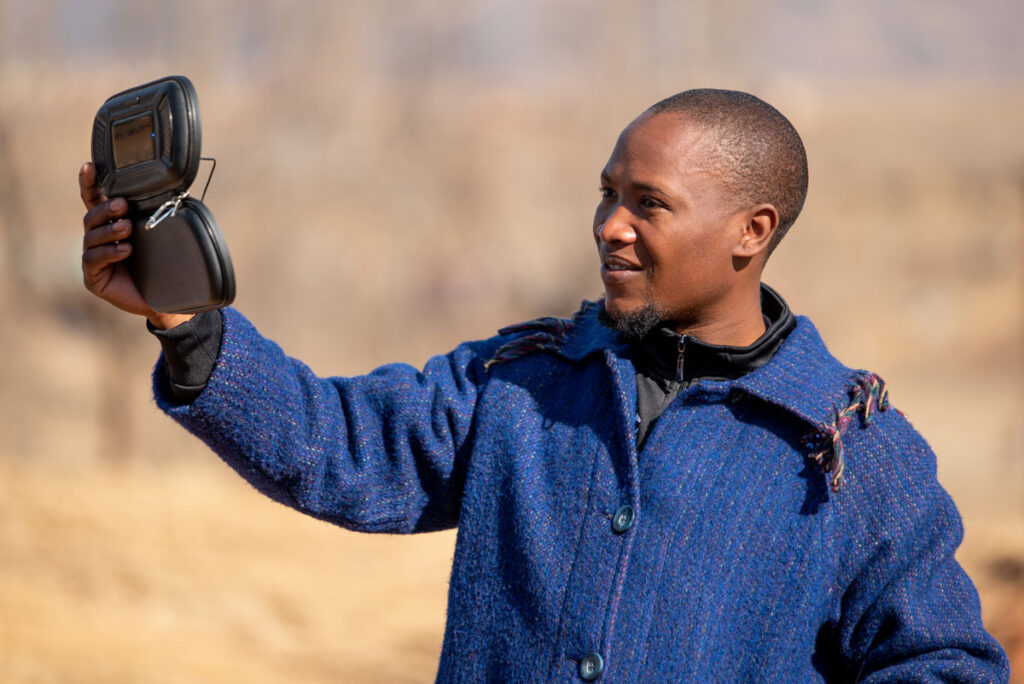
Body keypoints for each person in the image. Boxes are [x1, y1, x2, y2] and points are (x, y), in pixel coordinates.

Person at [80, 89, 1009, 682]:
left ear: (750, 231)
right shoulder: (520, 385)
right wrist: (185, 318)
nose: (610, 224)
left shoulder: (851, 451)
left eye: (649, 204)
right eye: (607, 193)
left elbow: (940, 665)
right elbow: (334, 445)